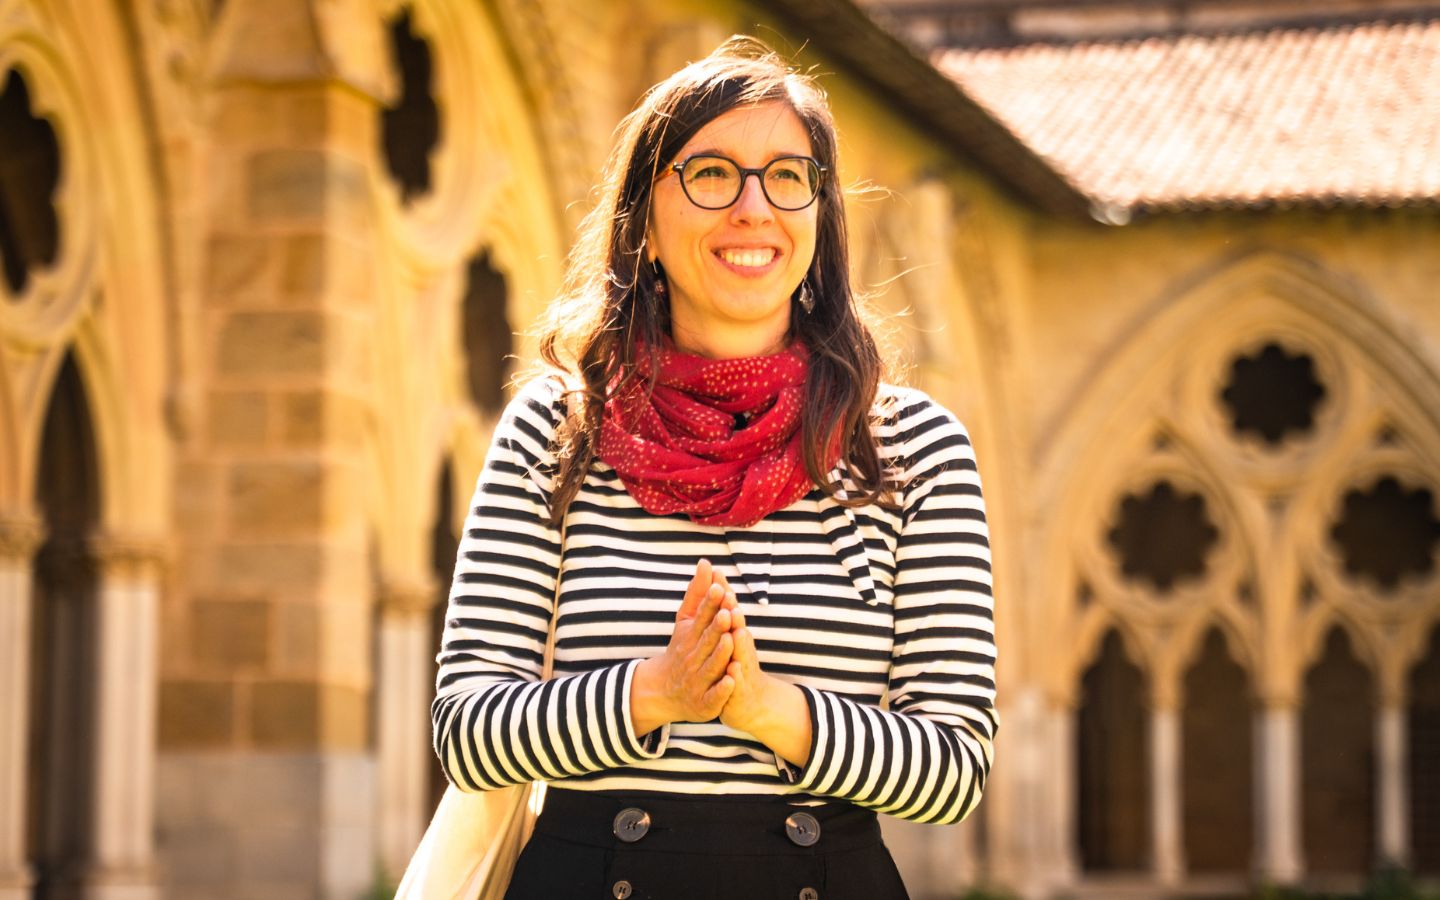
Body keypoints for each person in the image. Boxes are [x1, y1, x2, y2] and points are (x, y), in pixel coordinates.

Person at [431, 36, 997, 900]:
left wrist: (769, 710)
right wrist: (652, 695)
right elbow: (466, 728)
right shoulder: (555, 431)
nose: (753, 209)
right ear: (644, 222)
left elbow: (955, 770)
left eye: (787, 177)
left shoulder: (912, 452)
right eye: (710, 174)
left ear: (819, 219)